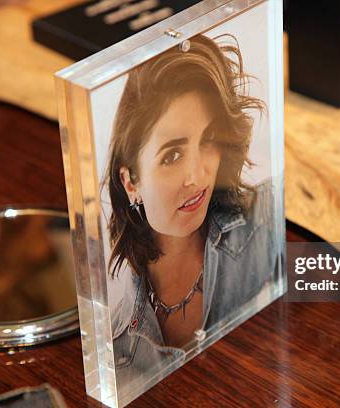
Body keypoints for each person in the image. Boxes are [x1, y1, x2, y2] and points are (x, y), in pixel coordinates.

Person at [106, 34, 279, 393]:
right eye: (172, 155)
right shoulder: (115, 344)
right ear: (130, 181)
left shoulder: (268, 222)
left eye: (208, 140)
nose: (198, 176)